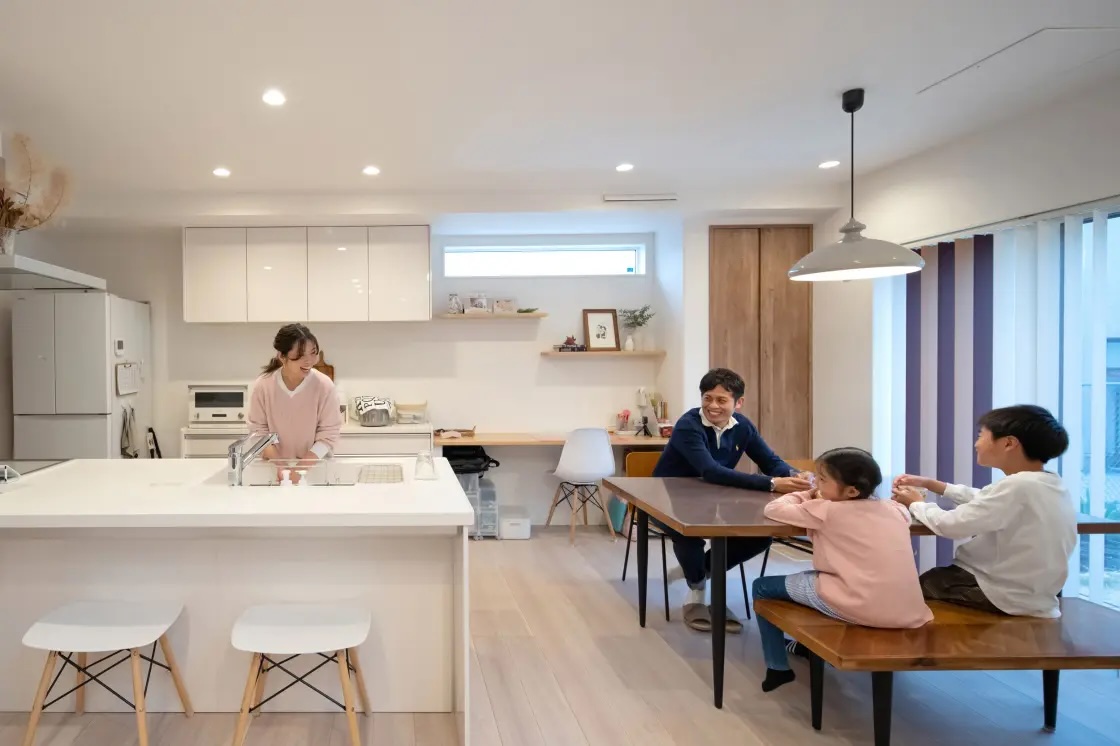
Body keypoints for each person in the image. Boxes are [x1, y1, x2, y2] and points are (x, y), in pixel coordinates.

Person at [753, 448, 932, 691]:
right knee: (813, 578)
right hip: (908, 610)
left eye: (822, 479)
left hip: (859, 604)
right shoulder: (895, 509)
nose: (816, 483)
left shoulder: (825, 510)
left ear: (851, 491)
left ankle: (778, 667)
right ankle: (805, 646)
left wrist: (806, 493)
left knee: (762, 586)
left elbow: (773, 509)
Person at [655, 367, 810, 633]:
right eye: (707, 398)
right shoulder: (688, 425)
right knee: (689, 534)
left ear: (738, 403)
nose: (712, 406)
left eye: (721, 400)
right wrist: (772, 484)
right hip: (669, 498)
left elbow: (771, 462)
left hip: (717, 497)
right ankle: (697, 593)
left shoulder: (743, 426)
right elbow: (711, 471)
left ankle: (698, 571)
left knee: (760, 536)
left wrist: (797, 477)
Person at [892, 404, 1075, 618]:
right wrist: (931, 484)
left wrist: (916, 503)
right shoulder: (1048, 483)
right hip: (1036, 594)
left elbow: (951, 525)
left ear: (1008, 443)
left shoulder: (1017, 486)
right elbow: (985, 499)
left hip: (998, 591)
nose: (976, 444)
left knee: (913, 589)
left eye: (981, 435)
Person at [247, 323, 342, 479]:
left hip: (315, 468)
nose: (309, 361)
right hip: (274, 468)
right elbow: (258, 433)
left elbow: (328, 435)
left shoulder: (324, 385)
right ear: (282, 356)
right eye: (300, 355)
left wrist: (299, 470)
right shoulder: (263, 385)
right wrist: (281, 466)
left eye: (313, 353)